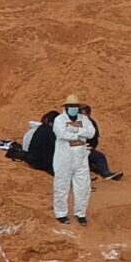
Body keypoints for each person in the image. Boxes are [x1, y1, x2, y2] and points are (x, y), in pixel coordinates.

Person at [0, 111, 122, 181]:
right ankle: (104, 172)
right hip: (48, 162)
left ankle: (93, 171)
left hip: (36, 160)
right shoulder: (54, 131)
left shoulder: (34, 131)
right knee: (95, 156)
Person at [48, 96, 99, 225]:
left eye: (75, 106)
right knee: (61, 186)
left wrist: (75, 130)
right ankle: (61, 213)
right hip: (63, 159)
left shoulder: (85, 119)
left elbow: (91, 133)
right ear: (66, 107)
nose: (73, 109)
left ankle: (80, 213)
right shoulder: (59, 120)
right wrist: (79, 134)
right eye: (71, 106)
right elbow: (61, 134)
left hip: (80, 159)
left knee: (83, 187)